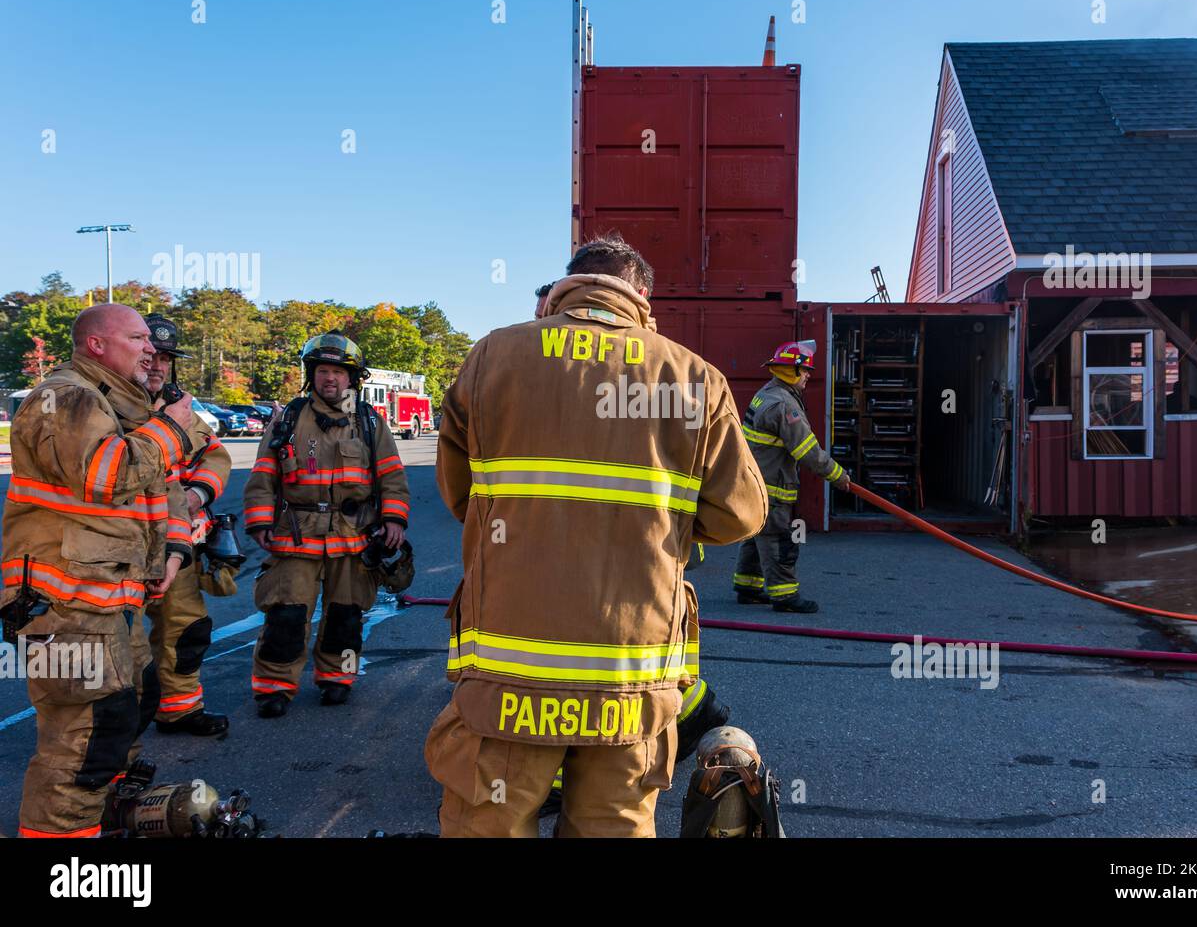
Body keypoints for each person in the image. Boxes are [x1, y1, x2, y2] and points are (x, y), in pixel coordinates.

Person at [427, 235, 767, 837]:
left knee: (490, 822)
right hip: (629, 682)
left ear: (564, 288)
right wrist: (669, 520)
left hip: (510, 675)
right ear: (640, 296)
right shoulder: (693, 376)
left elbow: (461, 497)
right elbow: (741, 515)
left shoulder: (491, 358)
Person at [2, 303, 194, 837]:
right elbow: (104, 476)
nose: (151, 349)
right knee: (82, 740)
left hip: (108, 599)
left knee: (123, 715)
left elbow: (155, 492)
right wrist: (168, 432)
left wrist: (165, 557)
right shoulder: (66, 397)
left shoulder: (115, 401)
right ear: (96, 345)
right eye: (138, 338)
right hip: (67, 608)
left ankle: (99, 819)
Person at [242, 332, 410, 717]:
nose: (329, 378)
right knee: (285, 614)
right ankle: (273, 687)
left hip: (353, 535)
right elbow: (263, 476)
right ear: (310, 375)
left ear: (353, 378)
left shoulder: (370, 423)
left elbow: (393, 478)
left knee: (346, 616)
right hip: (296, 533)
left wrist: (394, 519)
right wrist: (259, 522)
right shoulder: (288, 419)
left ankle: (338, 678)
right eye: (321, 370)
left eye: (338, 371)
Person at [140, 314, 232, 736]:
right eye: (150, 355)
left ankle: (179, 710)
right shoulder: (106, 403)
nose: (157, 365)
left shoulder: (178, 405)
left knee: (186, 628)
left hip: (176, 541)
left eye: (165, 357)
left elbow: (214, 456)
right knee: (120, 645)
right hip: (119, 546)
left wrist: (197, 496)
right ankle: (120, 731)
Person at [733, 341, 853, 614]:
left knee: (756, 534)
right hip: (772, 486)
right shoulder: (783, 406)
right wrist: (838, 476)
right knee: (777, 538)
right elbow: (808, 451)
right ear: (792, 371)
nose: (809, 375)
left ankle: (747, 586)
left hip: (757, 481)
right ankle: (784, 595)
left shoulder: (767, 393)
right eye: (805, 370)